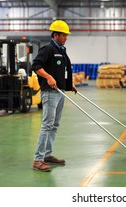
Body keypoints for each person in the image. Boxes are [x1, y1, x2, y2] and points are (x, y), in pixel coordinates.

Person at [31, 19, 77, 172]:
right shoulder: (48, 49)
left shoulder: (61, 50)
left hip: (60, 91)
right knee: (47, 125)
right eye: (64, 35)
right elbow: (36, 66)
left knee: (54, 125)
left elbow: (62, 71)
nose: (66, 38)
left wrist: (68, 83)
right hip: (50, 93)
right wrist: (48, 77)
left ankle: (47, 155)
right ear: (56, 35)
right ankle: (38, 159)